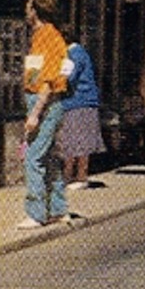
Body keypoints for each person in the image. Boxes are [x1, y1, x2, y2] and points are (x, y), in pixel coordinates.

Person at [19, 0, 72, 228]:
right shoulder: (40, 36)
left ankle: (36, 212)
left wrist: (35, 113)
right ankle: (59, 209)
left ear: (36, 11)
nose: (26, 11)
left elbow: (49, 80)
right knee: (49, 158)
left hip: (45, 103)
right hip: (42, 101)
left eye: (29, 7)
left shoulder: (50, 37)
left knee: (33, 158)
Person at [57, 25, 106, 191]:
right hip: (77, 101)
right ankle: (69, 175)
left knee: (78, 140)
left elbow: (68, 77)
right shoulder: (77, 52)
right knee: (72, 140)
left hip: (80, 101)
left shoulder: (74, 53)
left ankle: (80, 176)